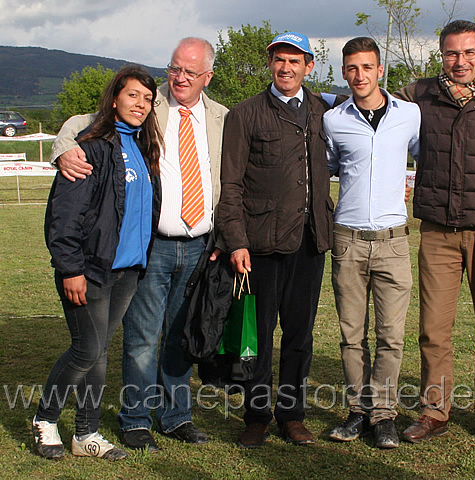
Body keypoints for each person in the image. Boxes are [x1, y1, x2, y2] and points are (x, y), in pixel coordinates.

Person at [50, 37, 228, 452]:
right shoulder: (150, 102)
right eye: (174, 68)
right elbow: (82, 123)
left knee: (180, 337)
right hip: (155, 245)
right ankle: (135, 420)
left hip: (201, 244)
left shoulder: (222, 116)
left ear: (207, 77)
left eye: (189, 72)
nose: (179, 77)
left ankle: (176, 416)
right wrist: (63, 149)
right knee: (143, 337)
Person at [34, 65, 163, 460]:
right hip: (89, 270)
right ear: (114, 99)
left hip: (126, 272)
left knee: (100, 351)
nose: (140, 104)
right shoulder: (89, 146)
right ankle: (44, 420)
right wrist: (70, 268)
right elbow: (64, 215)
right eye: (133, 95)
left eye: (147, 99)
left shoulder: (143, 148)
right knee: (85, 350)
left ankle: (85, 434)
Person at [217, 32, 336, 448]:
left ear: (309, 66)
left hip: (310, 240)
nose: (286, 68)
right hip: (260, 244)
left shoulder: (325, 110)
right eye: (279, 60)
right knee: (259, 333)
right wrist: (236, 241)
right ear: (270, 64)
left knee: (300, 334)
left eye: (294, 61)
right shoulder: (245, 114)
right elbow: (230, 185)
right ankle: (256, 415)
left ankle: (292, 414)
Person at [395, 19, 475, 442]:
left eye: (468, 53)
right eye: (451, 53)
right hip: (438, 230)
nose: (459, 62)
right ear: (440, 54)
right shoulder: (420, 95)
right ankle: (434, 411)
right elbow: (372, 102)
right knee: (433, 329)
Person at [323, 37, 419, 449]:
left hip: (394, 243)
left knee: (391, 337)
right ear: (344, 73)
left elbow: (425, 157)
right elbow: (325, 167)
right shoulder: (334, 120)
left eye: (367, 67)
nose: (359, 75)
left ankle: (383, 416)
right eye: (351, 69)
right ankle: (357, 412)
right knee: (351, 336)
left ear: (380, 70)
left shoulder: (410, 116)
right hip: (347, 241)